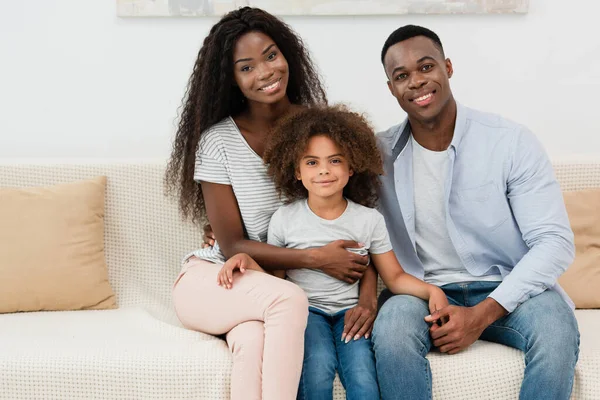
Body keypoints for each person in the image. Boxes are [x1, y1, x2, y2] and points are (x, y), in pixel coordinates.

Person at [165, 7, 371, 400]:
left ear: (288, 55)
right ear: (231, 79)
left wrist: (362, 289)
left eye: (271, 55)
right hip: (214, 278)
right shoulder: (218, 142)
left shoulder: (320, 133)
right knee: (290, 299)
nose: (265, 72)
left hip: (263, 287)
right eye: (246, 67)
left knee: (252, 340)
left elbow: (351, 220)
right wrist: (317, 258)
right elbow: (232, 246)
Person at [371, 25, 580, 400]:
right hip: (423, 292)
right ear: (391, 89)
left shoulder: (509, 141)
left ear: (448, 68)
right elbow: (355, 229)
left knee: (556, 330)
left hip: (510, 286)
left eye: (426, 67)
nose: (417, 82)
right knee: (391, 334)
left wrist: (482, 314)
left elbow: (554, 242)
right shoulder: (376, 157)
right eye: (401, 76)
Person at [246, 105, 447, 400]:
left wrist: (431, 292)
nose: (324, 170)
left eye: (335, 160)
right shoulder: (284, 219)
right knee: (317, 370)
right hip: (306, 314)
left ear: (351, 167)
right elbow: (278, 280)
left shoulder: (369, 220)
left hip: (350, 315)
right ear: (297, 172)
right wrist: (245, 262)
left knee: (364, 378)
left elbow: (394, 276)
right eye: (312, 162)